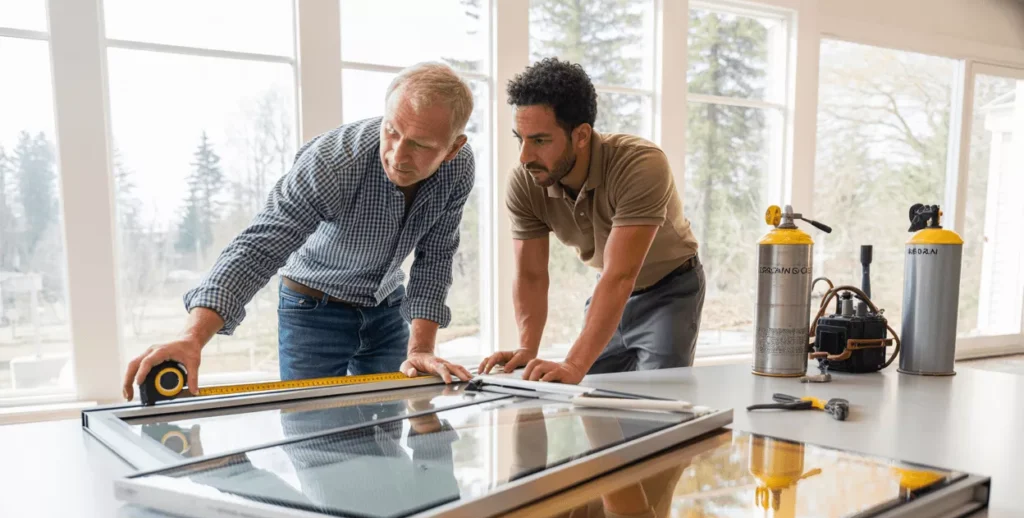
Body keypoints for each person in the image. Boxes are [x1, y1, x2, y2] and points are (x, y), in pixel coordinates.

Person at [123, 62, 476, 401]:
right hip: (312, 309)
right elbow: (259, 247)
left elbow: (436, 257)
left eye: (420, 145)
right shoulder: (333, 162)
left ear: (452, 148)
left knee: (383, 433)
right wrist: (192, 338)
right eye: (392, 131)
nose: (398, 155)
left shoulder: (459, 168)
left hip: (387, 307)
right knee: (315, 445)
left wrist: (421, 350)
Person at [479, 58, 705, 384]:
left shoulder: (641, 164)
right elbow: (530, 274)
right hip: (608, 289)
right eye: (520, 139)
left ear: (582, 135)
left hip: (670, 290)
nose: (525, 157)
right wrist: (527, 348)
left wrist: (572, 365)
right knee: (592, 403)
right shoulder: (525, 179)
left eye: (540, 141)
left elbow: (621, 274)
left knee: (659, 405)